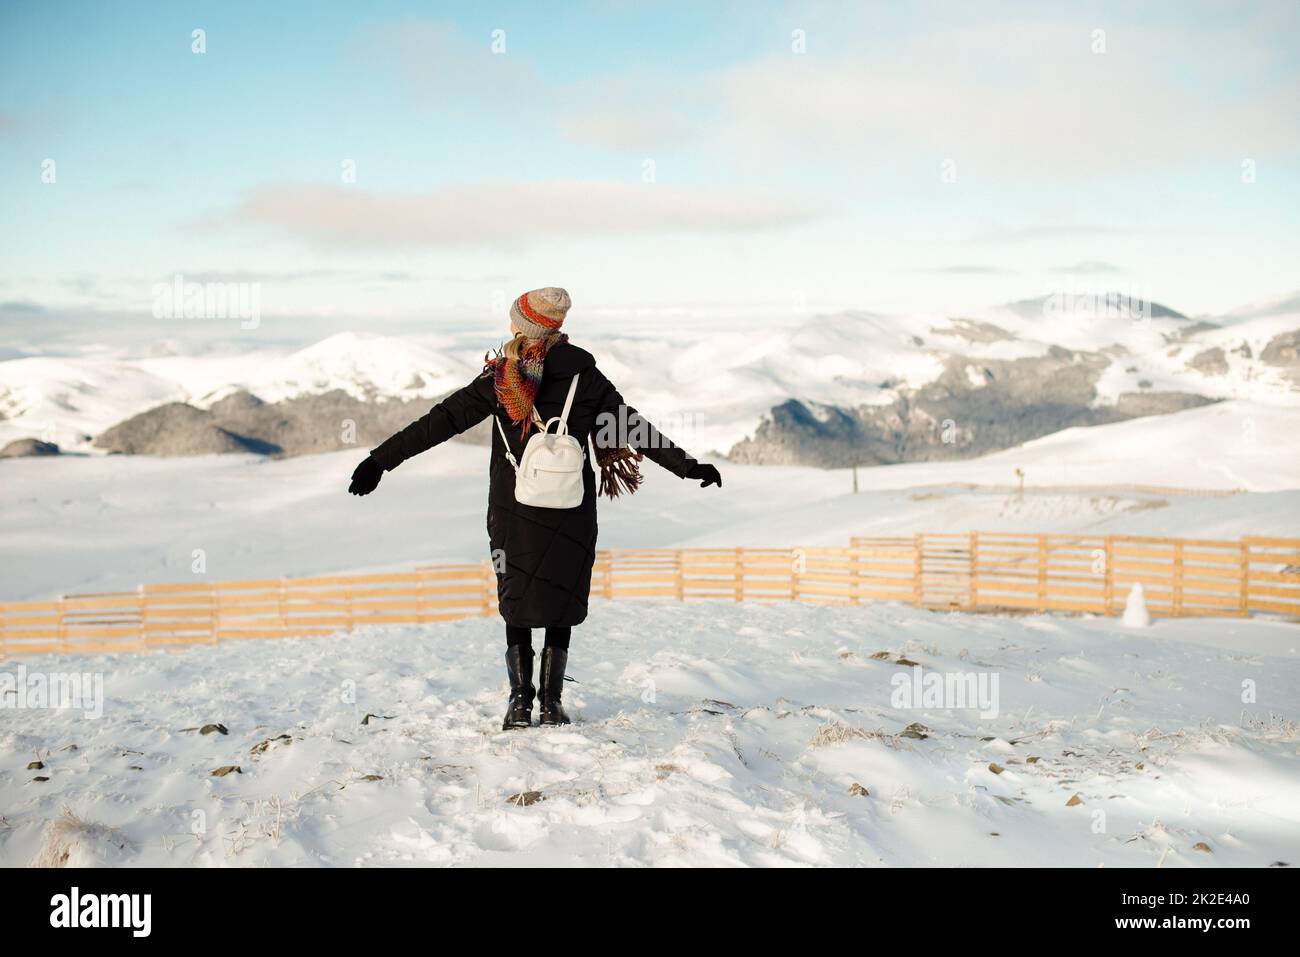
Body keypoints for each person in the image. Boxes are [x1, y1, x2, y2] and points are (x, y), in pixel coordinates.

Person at [347, 287, 721, 729]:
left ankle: (520, 704)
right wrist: (687, 466)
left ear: (523, 328)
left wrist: (379, 461)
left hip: (512, 508)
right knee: (560, 596)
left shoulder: (501, 381)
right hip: (571, 507)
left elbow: (439, 422)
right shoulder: (588, 378)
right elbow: (634, 427)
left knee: (518, 597)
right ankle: (552, 703)